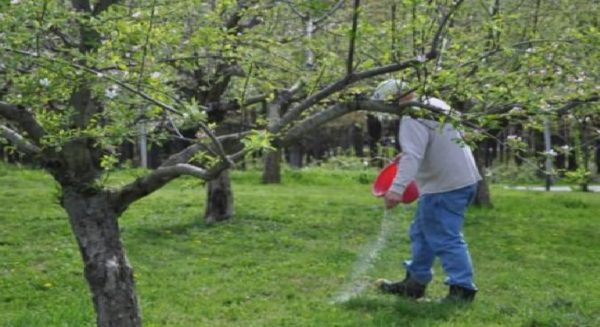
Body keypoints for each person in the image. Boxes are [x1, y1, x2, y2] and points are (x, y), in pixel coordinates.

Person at [371, 79, 482, 303]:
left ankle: (462, 290)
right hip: (458, 180)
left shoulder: (412, 116)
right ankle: (415, 283)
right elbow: (438, 141)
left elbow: (414, 155)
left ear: (395, 100)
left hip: (446, 185)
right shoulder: (434, 104)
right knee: (421, 233)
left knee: (445, 237)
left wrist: (396, 189)